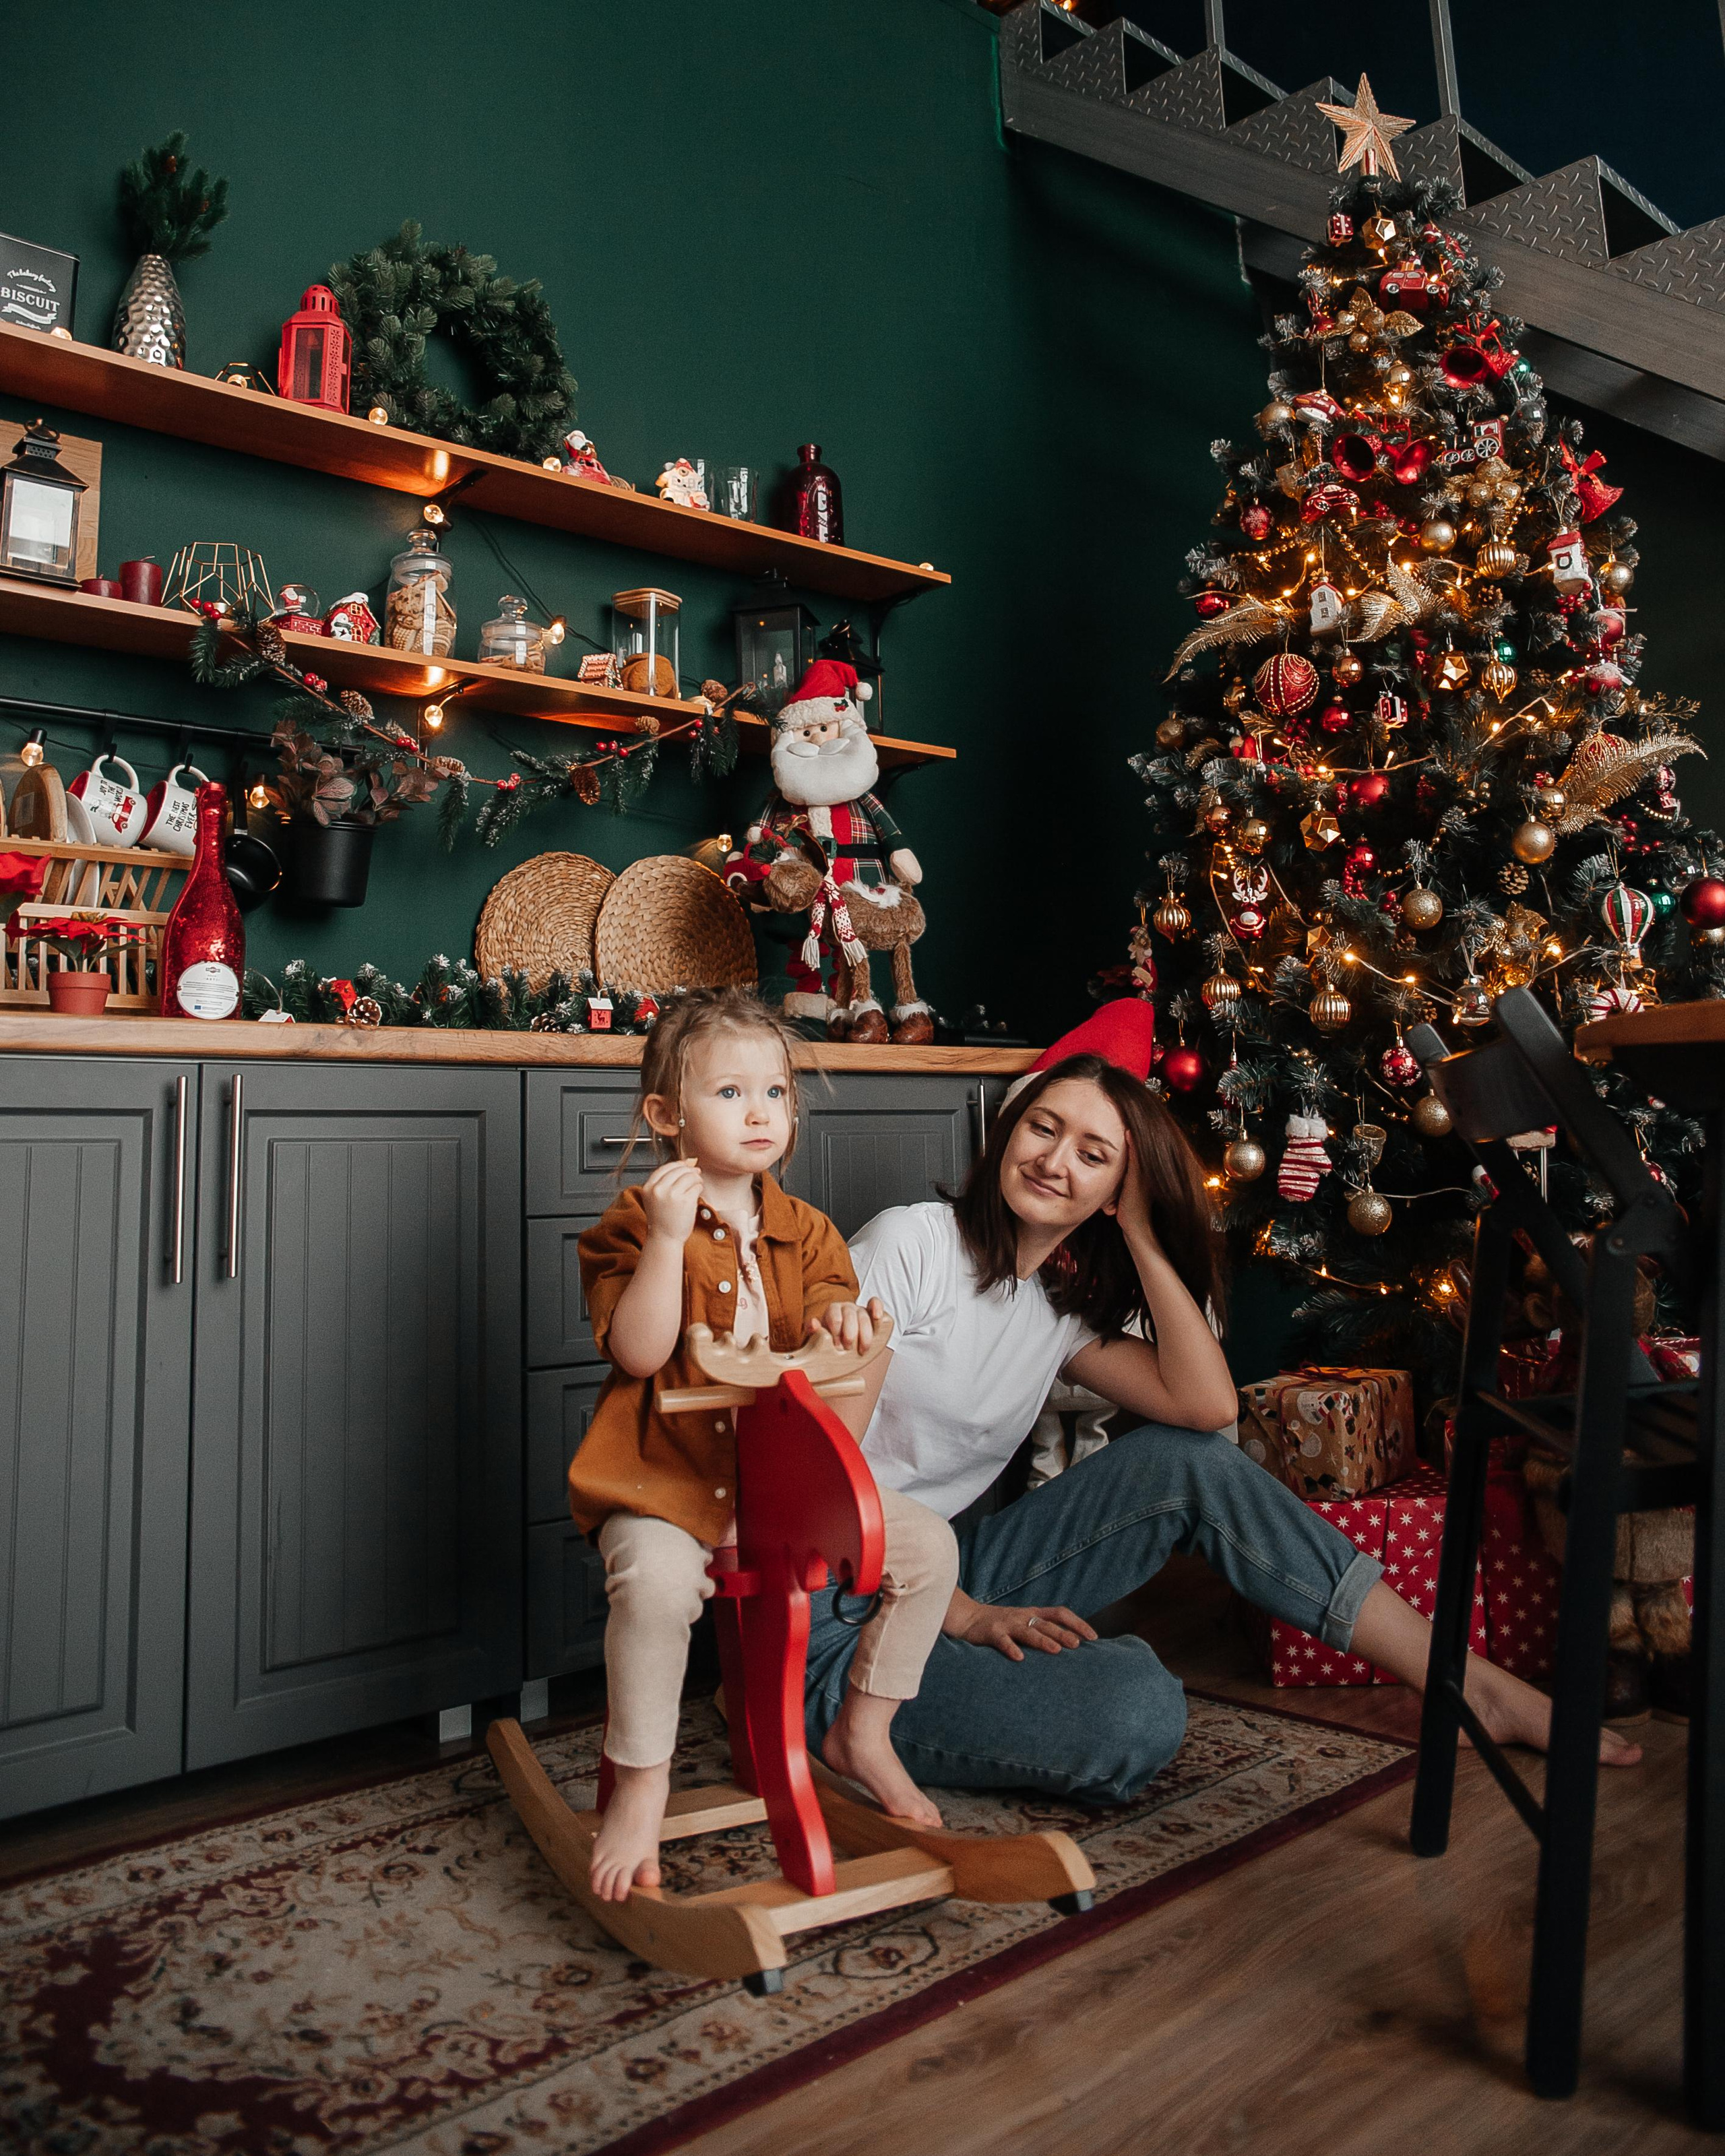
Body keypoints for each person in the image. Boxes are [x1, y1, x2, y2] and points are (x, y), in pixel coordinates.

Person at [805, 1006, 1642, 1798]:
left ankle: (1464, 1682)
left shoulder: (1055, 1307)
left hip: (941, 1574)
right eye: (1043, 1127)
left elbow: (1207, 1413)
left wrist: (1138, 1232)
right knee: (1134, 1708)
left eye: (1095, 1156)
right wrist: (962, 1612)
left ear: (1116, 1188)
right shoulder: (908, 1242)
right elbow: (809, 1477)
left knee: (1189, 1464)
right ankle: (811, 1709)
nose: (1055, 1161)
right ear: (1009, 1129)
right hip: (829, 1603)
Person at [573, 987, 960, 1901]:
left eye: (776, 1094)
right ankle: (641, 1783)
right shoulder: (633, 1223)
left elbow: (836, 1318)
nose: (760, 1113)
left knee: (929, 1549)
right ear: (667, 1116)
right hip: (661, 1483)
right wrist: (668, 1243)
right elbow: (637, 1350)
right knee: (658, 1586)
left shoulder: (807, 1230)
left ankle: (863, 1728)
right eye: (729, 1093)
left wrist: (844, 1323)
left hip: (780, 1486)